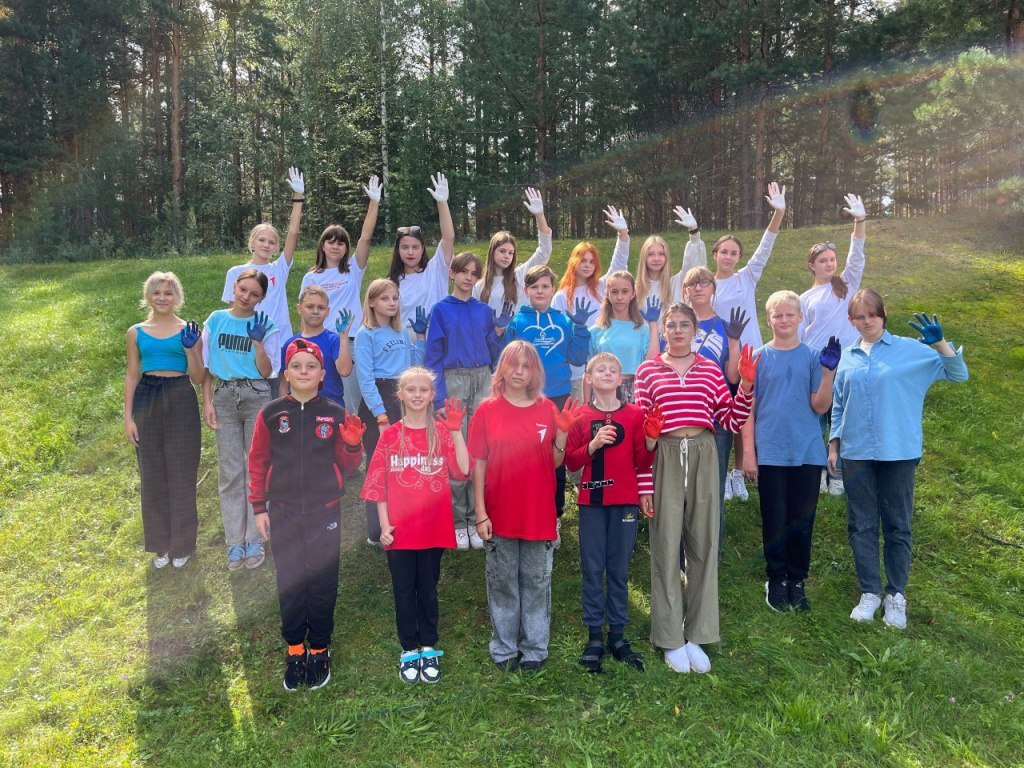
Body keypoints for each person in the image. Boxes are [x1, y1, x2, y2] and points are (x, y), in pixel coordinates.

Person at [830, 289, 968, 629]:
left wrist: (940, 344)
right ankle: (870, 592)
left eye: (872, 315)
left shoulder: (910, 350)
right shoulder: (847, 357)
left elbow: (957, 374)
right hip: (856, 452)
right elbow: (839, 404)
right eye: (860, 317)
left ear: (883, 314)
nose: (867, 321)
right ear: (851, 320)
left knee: (897, 525)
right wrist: (833, 445)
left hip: (898, 451)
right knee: (861, 524)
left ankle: (896, 595)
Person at [635, 303, 758, 674]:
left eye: (683, 325)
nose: (677, 331)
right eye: (671, 325)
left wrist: (745, 386)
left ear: (694, 330)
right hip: (665, 455)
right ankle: (669, 636)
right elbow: (642, 436)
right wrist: (645, 482)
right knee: (665, 545)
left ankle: (698, 633)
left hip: (704, 452)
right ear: (664, 331)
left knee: (704, 543)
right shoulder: (647, 371)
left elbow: (730, 420)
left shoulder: (709, 369)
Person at [248, 339, 365, 691]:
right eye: (296, 366)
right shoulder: (271, 414)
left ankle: (320, 647)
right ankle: (295, 647)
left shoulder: (334, 413)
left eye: (310, 366)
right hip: (282, 511)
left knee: (322, 581)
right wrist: (259, 507)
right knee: (290, 579)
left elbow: (348, 466)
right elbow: (257, 462)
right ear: (286, 373)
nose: (303, 372)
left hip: (324, 512)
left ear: (321, 374)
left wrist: (353, 445)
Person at [468, 341, 583, 672]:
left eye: (526, 366)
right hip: (499, 512)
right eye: (513, 364)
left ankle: (534, 647)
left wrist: (562, 434)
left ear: (535, 372)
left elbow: (555, 461)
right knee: (502, 582)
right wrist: (480, 513)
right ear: (502, 368)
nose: (519, 372)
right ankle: (504, 647)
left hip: (537, 513)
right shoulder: (487, 411)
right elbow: (478, 465)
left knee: (536, 582)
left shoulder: (547, 410)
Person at [361, 368, 471, 684]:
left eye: (424, 389)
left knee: (428, 588)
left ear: (432, 395)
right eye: (411, 389)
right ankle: (409, 648)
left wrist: (456, 432)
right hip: (399, 531)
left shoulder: (441, 433)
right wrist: (384, 526)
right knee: (404, 590)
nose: (418, 395)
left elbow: (463, 471)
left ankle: (429, 645)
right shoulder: (390, 436)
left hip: (433, 529)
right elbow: (379, 485)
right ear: (400, 394)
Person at [739, 291, 841, 612]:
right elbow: (747, 409)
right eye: (777, 315)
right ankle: (776, 578)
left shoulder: (812, 357)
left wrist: (828, 374)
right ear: (768, 319)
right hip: (770, 451)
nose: (783, 320)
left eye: (789, 315)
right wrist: (749, 453)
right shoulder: (758, 357)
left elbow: (820, 406)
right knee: (775, 517)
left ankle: (797, 579)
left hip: (806, 451)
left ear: (800, 318)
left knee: (801, 519)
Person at [690, 182, 787, 503]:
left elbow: (766, 246)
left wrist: (778, 213)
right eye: (724, 252)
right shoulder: (706, 283)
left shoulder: (747, 276)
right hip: (720, 358)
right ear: (715, 254)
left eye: (734, 253)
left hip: (748, 355)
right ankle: (717, 469)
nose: (729, 257)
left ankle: (738, 471)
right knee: (724, 414)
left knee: (746, 411)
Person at [565, 353, 657, 673]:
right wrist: (592, 446)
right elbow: (572, 462)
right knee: (593, 569)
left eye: (613, 370)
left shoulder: (634, 414)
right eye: (600, 369)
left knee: (618, 569)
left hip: (624, 502)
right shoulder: (580, 415)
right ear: (588, 378)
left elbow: (642, 462)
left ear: (621, 379)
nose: (607, 373)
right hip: (592, 503)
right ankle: (594, 636)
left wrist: (651, 441)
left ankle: (617, 635)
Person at [424, 252, 508, 550]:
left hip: (482, 378)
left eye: (474, 273)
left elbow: (493, 351)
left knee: (480, 446)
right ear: (452, 273)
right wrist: (439, 397)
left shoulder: (484, 310)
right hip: (454, 379)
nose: (468, 278)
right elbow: (433, 355)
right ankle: (459, 520)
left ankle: (478, 516)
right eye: (463, 272)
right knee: (456, 447)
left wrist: (498, 332)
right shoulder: (441, 310)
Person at [124, 272, 203, 570]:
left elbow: (199, 377)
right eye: (157, 292)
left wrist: (190, 349)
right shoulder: (136, 332)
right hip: (147, 397)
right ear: (148, 295)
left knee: (181, 472)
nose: (162, 298)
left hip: (180, 395)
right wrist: (128, 417)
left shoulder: (188, 330)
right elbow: (132, 374)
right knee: (152, 473)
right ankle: (161, 545)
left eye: (168, 293)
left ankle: (183, 545)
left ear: (177, 297)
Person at [201, 269, 279, 570]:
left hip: (256, 394)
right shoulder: (216, 320)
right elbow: (206, 367)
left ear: (262, 298)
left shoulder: (265, 325)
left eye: (254, 294)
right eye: (243, 289)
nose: (246, 297)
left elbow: (266, 371)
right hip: (224, 396)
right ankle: (234, 541)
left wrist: (258, 343)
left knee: (255, 468)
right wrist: (207, 401)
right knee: (230, 470)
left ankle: (255, 538)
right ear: (234, 287)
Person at [503, 264, 592, 528]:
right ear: (526, 290)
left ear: (553, 289)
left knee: (556, 455)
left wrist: (580, 328)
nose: (540, 291)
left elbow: (577, 358)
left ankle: (553, 513)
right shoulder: (518, 322)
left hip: (558, 397)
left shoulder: (564, 320)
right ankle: (523, 508)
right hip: (524, 399)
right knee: (523, 455)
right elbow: (505, 361)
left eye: (545, 286)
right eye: (535, 287)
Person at [799, 193, 868, 497]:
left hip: (847, 362)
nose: (829, 264)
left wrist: (859, 221)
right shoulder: (804, 298)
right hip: (817, 365)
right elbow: (799, 335)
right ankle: (816, 472)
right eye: (822, 260)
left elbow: (857, 256)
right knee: (815, 420)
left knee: (840, 421)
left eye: (831, 260)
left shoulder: (847, 285)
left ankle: (837, 473)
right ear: (812, 266)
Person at [300, 175, 382, 412]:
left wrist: (374, 203)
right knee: (320, 398)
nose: (335, 246)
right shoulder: (311, 277)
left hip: (352, 341)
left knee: (351, 402)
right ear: (322, 245)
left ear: (346, 248)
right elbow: (305, 314)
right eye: (331, 242)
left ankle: (353, 436)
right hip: (321, 341)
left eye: (341, 243)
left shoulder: (353, 270)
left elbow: (365, 237)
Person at [355, 278, 426, 546]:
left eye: (395, 298)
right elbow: (365, 379)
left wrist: (420, 338)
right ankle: (376, 531)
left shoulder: (401, 332)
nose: (392, 303)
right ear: (372, 302)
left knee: (405, 463)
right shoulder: (366, 334)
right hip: (379, 402)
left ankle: (401, 522)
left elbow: (415, 367)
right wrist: (380, 415)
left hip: (403, 397)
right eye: (385, 298)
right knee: (379, 467)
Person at [681, 265, 746, 554]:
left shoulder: (725, 326)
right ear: (685, 290)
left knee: (712, 488)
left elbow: (733, 377)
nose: (698, 288)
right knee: (682, 489)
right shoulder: (676, 323)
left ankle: (710, 555)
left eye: (704, 283)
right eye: (692, 284)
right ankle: (682, 555)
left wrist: (734, 342)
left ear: (713, 289)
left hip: (715, 417)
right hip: (681, 416)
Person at [552, 205, 631, 400]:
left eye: (591, 261)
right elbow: (557, 337)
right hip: (576, 373)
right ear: (574, 262)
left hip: (604, 369)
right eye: (583, 260)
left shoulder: (602, 287)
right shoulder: (561, 297)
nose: (587, 265)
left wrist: (623, 234)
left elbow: (619, 263)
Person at [221, 167, 305, 348]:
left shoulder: (279, 268)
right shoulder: (236, 272)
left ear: (276, 247)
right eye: (262, 240)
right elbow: (233, 312)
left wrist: (298, 197)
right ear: (252, 242)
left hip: (280, 340)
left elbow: (293, 232)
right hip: (249, 341)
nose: (266, 245)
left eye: (271, 242)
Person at [387, 172, 456, 332]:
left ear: (423, 248)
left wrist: (442, 203)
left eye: (415, 247)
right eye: (405, 247)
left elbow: (448, 238)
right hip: (404, 340)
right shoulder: (391, 282)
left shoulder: (435, 269)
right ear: (398, 250)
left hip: (436, 337)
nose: (410, 252)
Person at [585, 270, 660, 404]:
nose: (619, 297)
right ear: (607, 294)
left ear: (633, 294)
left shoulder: (643, 330)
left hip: (634, 391)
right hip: (602, 391)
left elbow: (652, 363)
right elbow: (588, 372)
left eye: (625, 292)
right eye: (614, 292)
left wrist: (653, 325)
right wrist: (586, 403)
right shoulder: (595, 331)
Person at [473, 187, 552, 312]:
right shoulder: (479, 287)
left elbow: (544, 251)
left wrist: (539, 215)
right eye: (502, 251)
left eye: (511, 253)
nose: (507, 256)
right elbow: (476, 318)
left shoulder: (520, 276)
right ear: (492, 252)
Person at [278, 285, 353, 408]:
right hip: (299, 409)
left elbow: (345, 371)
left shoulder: (334, 340)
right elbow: (284, 384)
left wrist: (344, 337)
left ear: (328, 311)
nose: (315, 311)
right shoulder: (290, 344)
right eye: (310, 306)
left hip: (331, 408)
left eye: (321, 307)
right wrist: (285, 409)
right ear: (299, 308)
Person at [632, 205, 708, 310]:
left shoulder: (676, 283)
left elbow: (692, 266)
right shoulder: (634, 288)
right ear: (644, 257)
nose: (656, 258)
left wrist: (694, 233)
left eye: (661, 254)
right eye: (651, 254)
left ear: (666, 257)